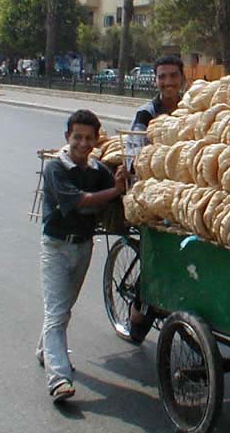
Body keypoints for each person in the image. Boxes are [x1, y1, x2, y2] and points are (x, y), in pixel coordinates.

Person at [37, 109, 127, 403]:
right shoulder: (56, 169)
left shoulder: (96, 169)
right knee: (57, 311)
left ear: (96, 140)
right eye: (78, 137)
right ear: (67, 137)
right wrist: (115, 190)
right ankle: (59, 378)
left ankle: (45, 350)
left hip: (84, 246)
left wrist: (124, 178)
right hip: (56, 247)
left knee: (63, 307)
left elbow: (116, 185)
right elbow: (80, 202)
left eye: (90, 138)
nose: (83, 143)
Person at [128, 55, 185, 133]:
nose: (168, 82)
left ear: (182, 78)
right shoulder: (145, 114)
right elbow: (136, 142)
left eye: (173, 76)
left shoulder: (193, 111)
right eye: (162, 77)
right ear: (155, 81)